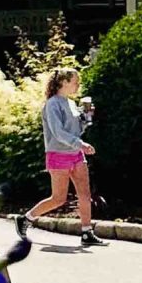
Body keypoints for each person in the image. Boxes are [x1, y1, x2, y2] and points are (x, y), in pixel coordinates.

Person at [20, 66, 101, 247]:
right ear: (63, 82)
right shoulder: (52, 105)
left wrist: (86, 120)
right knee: (58, 198)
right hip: (58, 155)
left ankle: (87, 232)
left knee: (85, 194)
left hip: (76, 154)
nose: (78, 86)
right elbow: (58, 133)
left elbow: (75, 131)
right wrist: (80, 144)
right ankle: (26, 219)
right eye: (75, 82)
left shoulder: (71, 103)